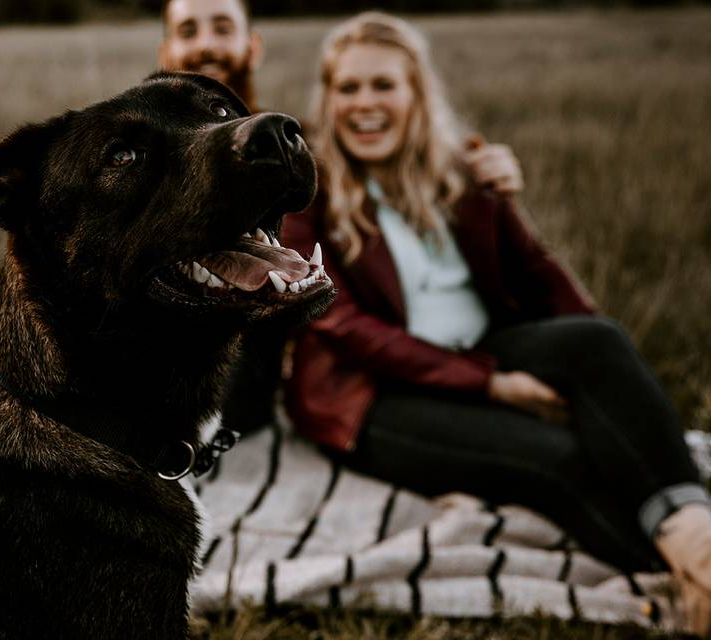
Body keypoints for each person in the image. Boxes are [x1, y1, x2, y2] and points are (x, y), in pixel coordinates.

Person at [281, 11, 711, 635]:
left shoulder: (467, 172)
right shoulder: (308, 194)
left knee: (599, 342)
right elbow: (340, 324)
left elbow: (539, 274)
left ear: (416, 95)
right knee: (560, 458)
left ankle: (695, 542)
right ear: (329, 98)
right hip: (372, 400)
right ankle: (686, 575)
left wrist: (590, 378)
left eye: (383, 86)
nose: (364, 105)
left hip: (485, 346)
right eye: (348, 88)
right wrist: (488, 385)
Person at [157, 0, 526, 435]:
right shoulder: (149, 157)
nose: (206, 45)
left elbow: (386, 138)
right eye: (188, 31)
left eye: (222, 28)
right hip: (166, 390)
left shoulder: (299, 144)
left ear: (252, 47)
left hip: (249, 397)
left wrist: (474, 161)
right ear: (167, 52)